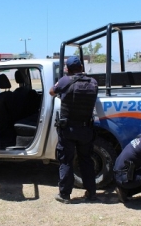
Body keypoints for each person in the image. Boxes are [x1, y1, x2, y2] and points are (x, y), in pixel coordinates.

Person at [49, 56, 99, 204]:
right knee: (86, 161)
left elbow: (52, 92)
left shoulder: (65, 81)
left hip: (68, 129)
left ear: (67, 69)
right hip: (86, 129)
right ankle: (91, 193)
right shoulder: (93, 82)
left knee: (66, 161)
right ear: (82, 67)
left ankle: (64, 195)